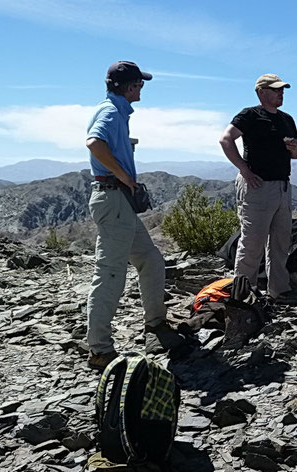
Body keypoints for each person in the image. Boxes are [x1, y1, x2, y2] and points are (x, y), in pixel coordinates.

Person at [85, 61, 183, 371]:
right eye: (139, 83)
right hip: (113, 197)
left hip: (118, 200)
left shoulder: (117, 110)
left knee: (151, 260)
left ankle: (155, 324)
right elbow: (94, 143)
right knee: (111, 273)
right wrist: (123, 176)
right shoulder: (111, 112)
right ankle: (100, 349)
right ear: (130, 86)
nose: (142, 88)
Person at [219, 74, 297, 304]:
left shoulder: (287, 119)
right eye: (276, 90)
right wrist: (244, 169)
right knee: (252, 242)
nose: (280, 93)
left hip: (282, 186)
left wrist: (294, 149)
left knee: (280, 242)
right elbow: (226, 139)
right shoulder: (250, 115)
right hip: (257, 186)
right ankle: (244, 295)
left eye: (282, 90)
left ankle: (279, 290)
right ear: (261, 92)